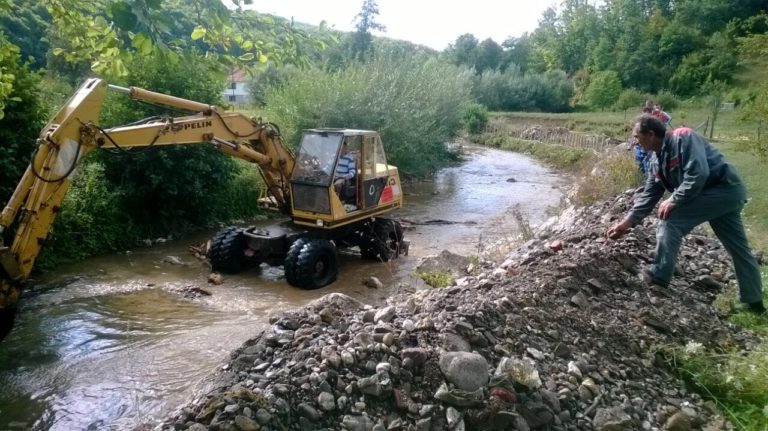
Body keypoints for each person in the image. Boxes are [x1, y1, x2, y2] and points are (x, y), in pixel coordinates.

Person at [607, 114, 765, 315]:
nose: (635, 141)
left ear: (651, 134)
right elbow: (649, 195)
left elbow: (698, 174)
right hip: (719, 197)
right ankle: (755, 303)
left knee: (669, 220)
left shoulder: (684, 137)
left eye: (637, 136)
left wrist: (673, 199)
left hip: (723, 190)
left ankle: (658, 276)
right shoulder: (655, 160)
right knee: (738, 248)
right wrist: (626, 223)